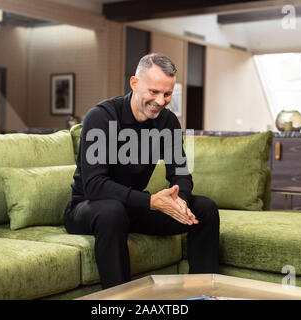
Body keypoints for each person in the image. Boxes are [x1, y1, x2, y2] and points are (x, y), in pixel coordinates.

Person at [63, 53, 219, 289]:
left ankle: (203, 293)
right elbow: (94, 185)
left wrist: (181, 202)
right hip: (88, 207)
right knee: (111, 211)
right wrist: (151, 201)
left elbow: (180, 173)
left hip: (133, 208)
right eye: (154, 92)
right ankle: (120, 304)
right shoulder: (101, 117)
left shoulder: (167, 122)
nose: (161, 100)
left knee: (205, 209)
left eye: (167, 94)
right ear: (135, 84)